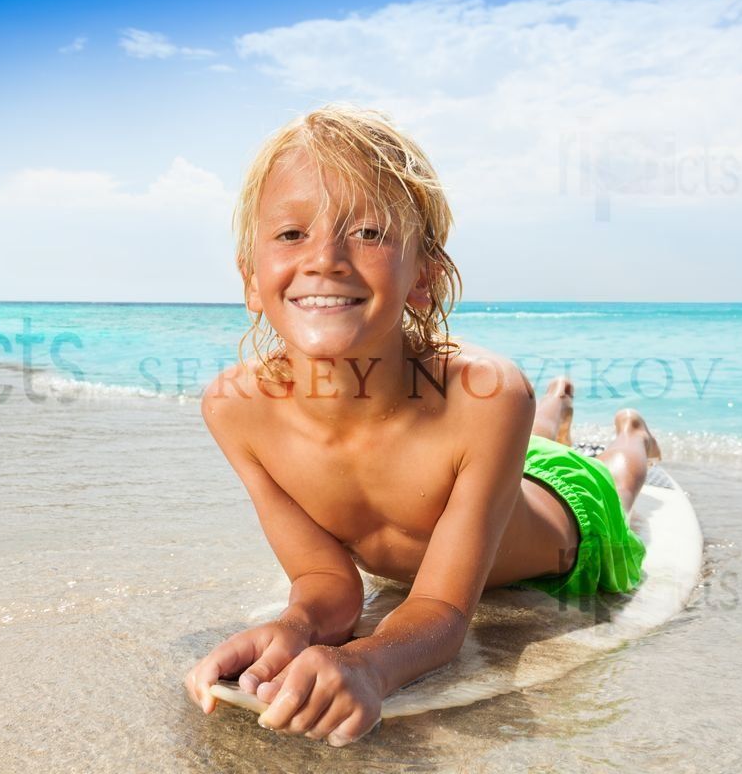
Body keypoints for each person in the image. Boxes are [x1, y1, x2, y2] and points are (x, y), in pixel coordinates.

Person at [182, 104, 660, 747]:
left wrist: (367, 665)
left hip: (566, 519)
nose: (325, 259)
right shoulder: (236, 411)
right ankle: (555, 412)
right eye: (291, 234)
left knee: (610, 480)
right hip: (494, 474)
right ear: (250, 276)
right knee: (533, 442)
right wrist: (294, 627)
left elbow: (440, 611)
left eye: (370, 234)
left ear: (425, 279)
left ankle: (633, 439)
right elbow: (327, 585)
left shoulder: (486, 397)